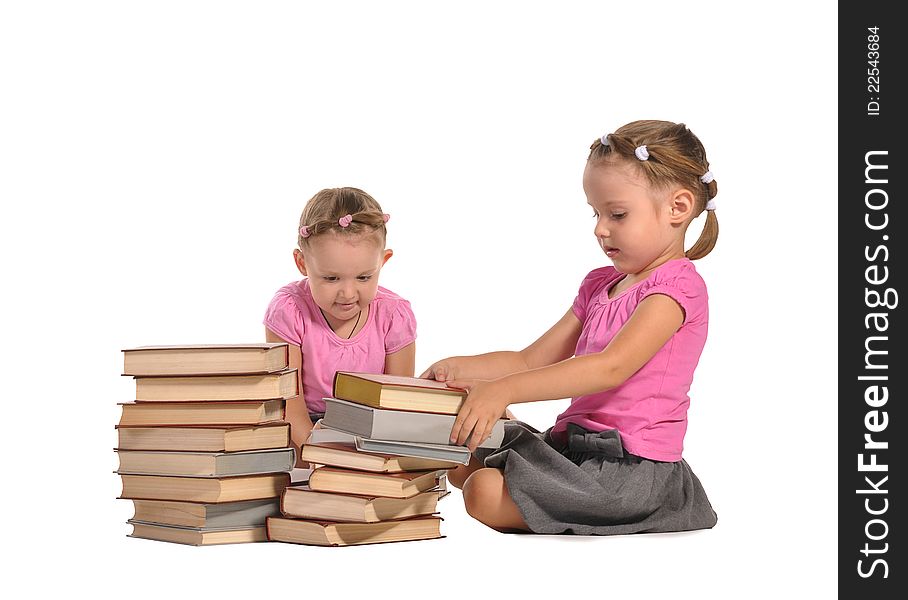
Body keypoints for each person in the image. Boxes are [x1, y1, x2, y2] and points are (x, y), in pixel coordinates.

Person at [422, 120, 719, 535]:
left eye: (617, 214)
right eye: (596, 213)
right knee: (463, 458)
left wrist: (504, 390)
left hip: (629, 467)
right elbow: (529, 359)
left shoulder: (676, 288)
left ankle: (648, 508)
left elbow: (609, 367)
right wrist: (462, 369)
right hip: (573, 447)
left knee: (482, 491)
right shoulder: (600, 285)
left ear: (678, 208)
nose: (600, 228)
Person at [264, 187, 416, 464]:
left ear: (383, 261)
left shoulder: (394, 315)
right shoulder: (290, 310)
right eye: (331, 279)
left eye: (363, 277)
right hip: (301, 426)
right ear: (302, 263)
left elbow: (398, 403)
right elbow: (289, 404)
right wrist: (317, 447)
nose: (348, 293)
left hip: (371, 428)